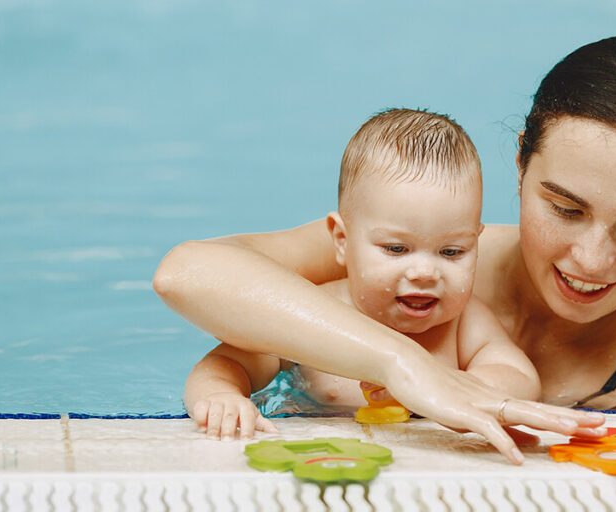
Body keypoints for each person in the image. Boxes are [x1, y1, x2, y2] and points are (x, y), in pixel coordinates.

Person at [154, 33, 616, 465]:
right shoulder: (407, 247)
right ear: (519, 165)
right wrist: (401, 362)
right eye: (564, 208)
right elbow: (186, 275)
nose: (589, 260)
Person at [182, 109, 546, 440]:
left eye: (452, 252)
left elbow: (520, 377)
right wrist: (221, 397)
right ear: (342, 240)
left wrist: (456, 386)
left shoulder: (464, 324)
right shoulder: (315, 314)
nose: (423, 272)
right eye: (396, 249)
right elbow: (226, 364)